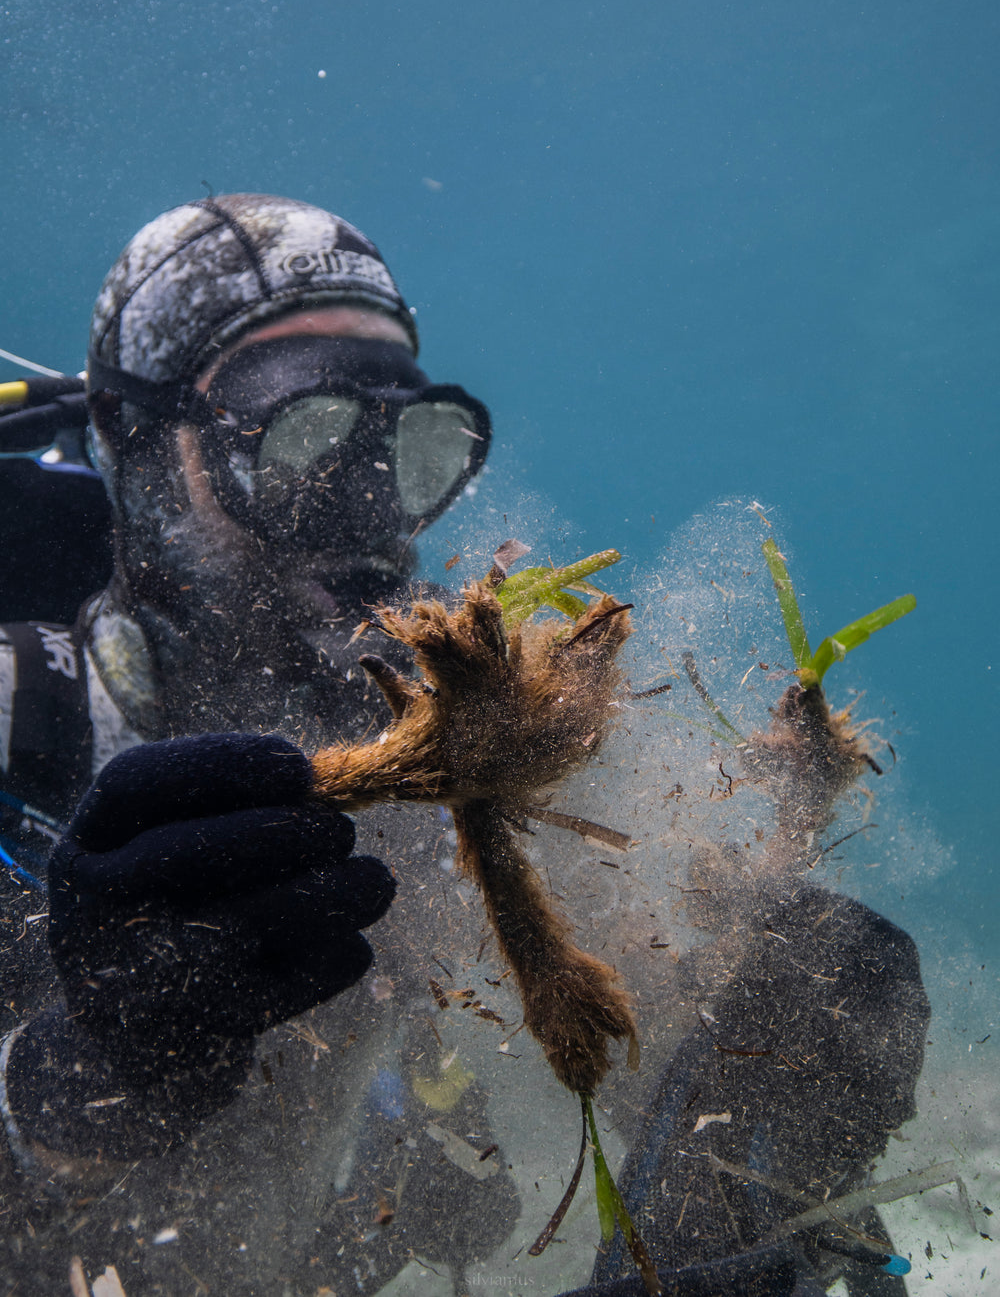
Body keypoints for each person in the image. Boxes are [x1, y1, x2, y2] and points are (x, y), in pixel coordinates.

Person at [0, 195, 928, 1297]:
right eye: (300, 442)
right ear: (147, 454)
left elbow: (678, 1031)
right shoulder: (25, 720)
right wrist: (68, 1084)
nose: (369, 512)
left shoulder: (435, 756)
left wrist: (778, 1003)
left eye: (408, 448)